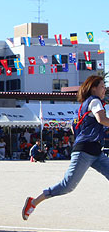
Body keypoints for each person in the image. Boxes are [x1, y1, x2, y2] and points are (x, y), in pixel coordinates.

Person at [23, 75, 109, 220]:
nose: (104, 89)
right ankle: (34, 201)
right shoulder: (95, 101)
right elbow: (102, 119)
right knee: (67, 186)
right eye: (102, 86)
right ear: (93, 88)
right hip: (84, 151)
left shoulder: (88, 104)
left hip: (95, 151)